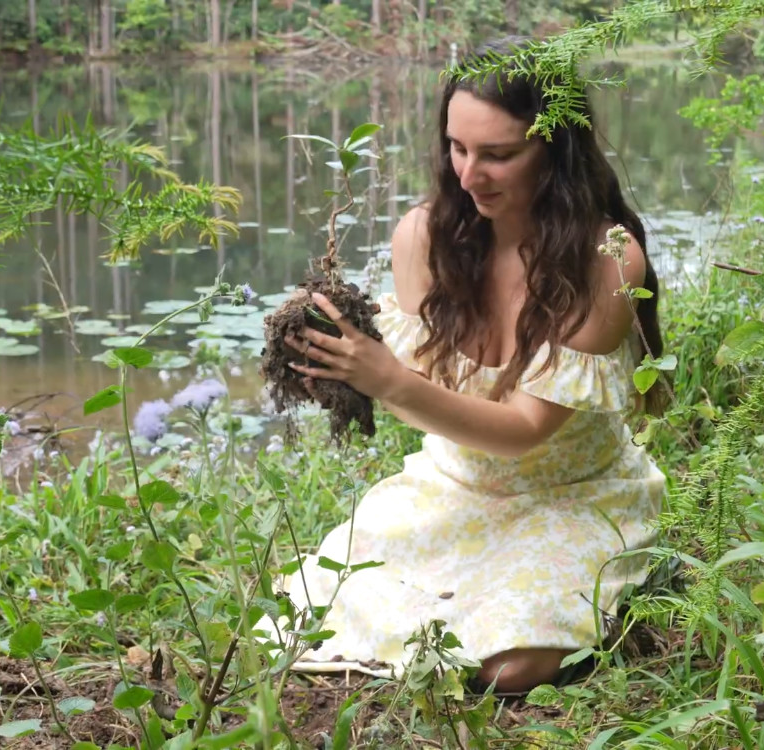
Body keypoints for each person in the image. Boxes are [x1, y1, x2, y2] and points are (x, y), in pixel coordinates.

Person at [268, 38, 667, 694]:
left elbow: (525, 431)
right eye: (457, 147)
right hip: (452, 487)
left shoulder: (606, 258)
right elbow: (424, 396)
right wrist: (342, 369)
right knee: (303, 617)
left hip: (572, 496)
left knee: (510, 665)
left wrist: (388, 379)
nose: (468, 175)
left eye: (498, 154)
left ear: (556, 149)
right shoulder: (424, 237)